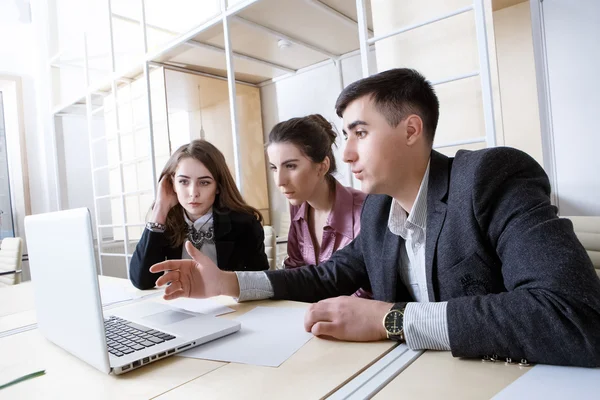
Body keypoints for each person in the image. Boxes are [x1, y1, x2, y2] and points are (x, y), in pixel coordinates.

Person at [149, 69, 600, 367]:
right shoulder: (381, 209)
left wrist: (394, 320)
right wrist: (230, 283)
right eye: (345, 134)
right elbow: (329, 275)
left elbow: (576, 315)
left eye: (359, 133)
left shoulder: (490, 179)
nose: (344, 154)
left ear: (410, 130)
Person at [129, 139, 269, 290]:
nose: (193, 193)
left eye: (204, 183)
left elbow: (259, 283)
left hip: (230, 308)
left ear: (218, 187)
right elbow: (142, 281)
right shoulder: (166, 221)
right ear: (172, 183)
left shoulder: (244, 223)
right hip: (180, 306)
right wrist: (160, 208)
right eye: (183, 182)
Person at [267, 114, 369, 297]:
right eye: (274, 168)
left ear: (322, 167)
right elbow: (295, 270)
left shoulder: (366, 211)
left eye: (290, 166)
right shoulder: (298, 205)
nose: (279, 181)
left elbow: (368, 292)